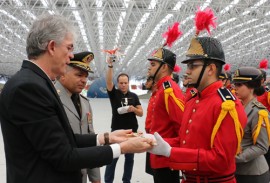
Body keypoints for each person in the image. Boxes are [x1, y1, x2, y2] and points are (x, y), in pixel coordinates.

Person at [0, 14, 154, 183]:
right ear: (52, 47)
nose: (71, 56)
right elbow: (63, 156)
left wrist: (107, 138)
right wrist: (122, 148)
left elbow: (65, 139)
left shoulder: (37, 83)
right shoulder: (29, 88)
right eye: (69, 48)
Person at [149, 36, 247, 183]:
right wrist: (157, 141)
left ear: (211, 69)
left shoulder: (227, 105)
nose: (187, 71)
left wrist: (171, 152)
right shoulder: (193, 99)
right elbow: (186, 141)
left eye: (193, 66)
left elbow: (221, 159)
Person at [54, 51, 101, 183]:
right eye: (79, 75)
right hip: (59, 175)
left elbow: (91, 139)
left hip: (81, 175)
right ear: (62, 74)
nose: (84, 80)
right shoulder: (51, 100)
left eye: (86, 76)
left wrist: (95, 177)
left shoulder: (85, 103)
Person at [147, 47, 185, 183]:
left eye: (153, 65)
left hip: (166, 158)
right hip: (158, 156)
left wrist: (171, 149)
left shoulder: (170, 90)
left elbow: (182, 126)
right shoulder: (161, 89)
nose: (149, 68)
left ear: (164, 68)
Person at [104, 57, 143, 183]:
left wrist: (134, 109)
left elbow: (141, 113)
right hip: (116, 130)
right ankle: (108, 181)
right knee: (113, 157)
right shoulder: (114, 94)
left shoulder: (134, 96)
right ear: (118, 83)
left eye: (125, 83)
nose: (123, 85)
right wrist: (110, 66)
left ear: (128, 83)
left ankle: (127, 181)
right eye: (121, 83)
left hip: (132, 132)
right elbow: (108, 81)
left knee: (129, 159)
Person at [232, 67, 270, 183]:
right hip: (235, 170)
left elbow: (262, 146)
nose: (235, 88)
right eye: (235, 84)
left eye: (239, 85)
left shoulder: (259, 112)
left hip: (252, 173)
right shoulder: (236, 107)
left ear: (251, 87)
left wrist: (234, 158)